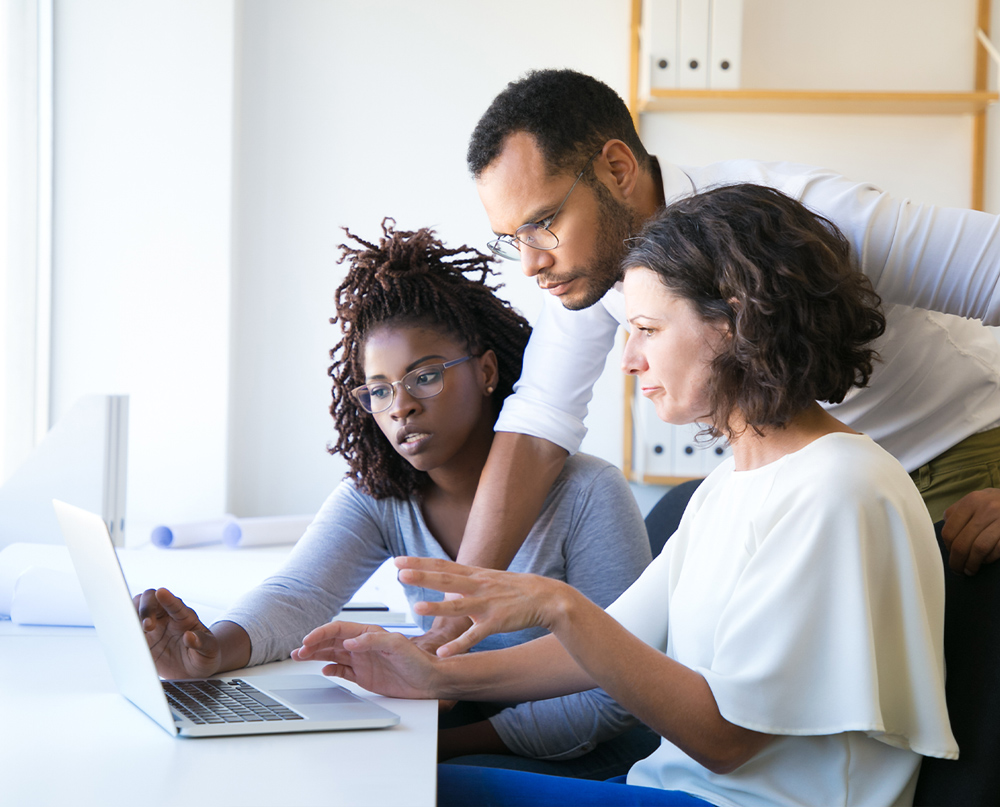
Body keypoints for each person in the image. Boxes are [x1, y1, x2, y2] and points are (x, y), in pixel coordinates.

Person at [293, 185, 959, 807]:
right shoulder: (730, 484)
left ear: (733, 322)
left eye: (648, 328)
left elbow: (726, 741)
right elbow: (617, 641)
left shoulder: (838, 488)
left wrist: (559, 605)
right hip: (671, 787)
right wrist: (434, 676)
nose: (629, 358)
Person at [421, 68, 1000, 656]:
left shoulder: (805, 218)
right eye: (511, 237)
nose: (529, 263)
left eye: (541, 225)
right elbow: (538, 421)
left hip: (954, 461)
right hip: (816, 491)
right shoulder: (590, 266)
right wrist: (451, 624)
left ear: (617, 170)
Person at [133, 219, 653, 773]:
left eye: (425, 376)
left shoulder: (588, 493)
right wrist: (212, 650)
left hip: (584, 755)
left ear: (486, 371)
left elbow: (615, 695)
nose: (400, 406)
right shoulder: (382, 494)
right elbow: (299, 593)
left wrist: (433, 748)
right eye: (379, 390)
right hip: (454, 727)